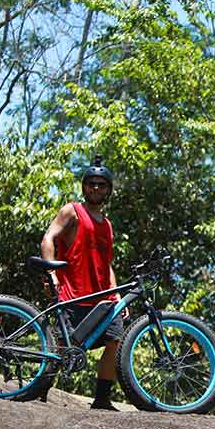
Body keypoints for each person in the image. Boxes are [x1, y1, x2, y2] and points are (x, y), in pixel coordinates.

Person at [41, 155, 124, 411]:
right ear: (84, 186)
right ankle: (39, 392)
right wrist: (51, 273)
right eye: (91, 184)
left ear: (108, 189)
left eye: (101, 185)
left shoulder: (107, 225)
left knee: (114, 342)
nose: (96, 189)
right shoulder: (72, 211)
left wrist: (117, 295)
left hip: (103, 299)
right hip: (73, 294)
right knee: (64, 346)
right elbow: (48, 239)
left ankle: (101, 399)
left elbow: (106, 263)